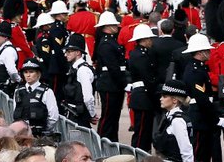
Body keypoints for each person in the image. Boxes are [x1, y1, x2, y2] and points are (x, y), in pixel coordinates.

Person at [180, 34, 224, 162]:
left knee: (205, 156)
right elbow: (202, 99)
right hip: (200, 117)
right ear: (201, 52)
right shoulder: (195, 71)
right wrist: (216, 118)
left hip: (203, 116)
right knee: (199, 156)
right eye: (207, 50)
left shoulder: (199, 68)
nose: (210, 53)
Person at [94, 11, 128, 142]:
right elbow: (113, 67)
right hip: (110, 84)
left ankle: (112, 140)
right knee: (108, 116)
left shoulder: (111, 41)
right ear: (107, 26)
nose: (116, 27)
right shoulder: (106, 43)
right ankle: (102, 141)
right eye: (113, 25)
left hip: (114, 84)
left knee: (114, 116)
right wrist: (123, 82)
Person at [127, 24, 159, 152]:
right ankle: (138, 156)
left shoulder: (143, 53)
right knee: (141, 132)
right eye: (149, 39)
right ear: (144, 40)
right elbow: (147, 78)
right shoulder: (139, 55)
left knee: (145, 131)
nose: (151, 41)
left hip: (144, 96)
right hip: (143, 96)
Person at [12, 60, 59, 137]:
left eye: (31, 72)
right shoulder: (18, 91)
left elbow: (53, 116)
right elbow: (15, 110)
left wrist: (45, 130)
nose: (28, 75)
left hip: (40, 134)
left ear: (38, 74)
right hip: (21, 135)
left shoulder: (47, 91)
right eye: (26, 72)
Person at [153, 80, 193, 162]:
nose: (161, 99)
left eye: (164, 96)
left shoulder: (177, 121)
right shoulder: (169, 116)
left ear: (174, 100)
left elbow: (186, 150)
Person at [60, 34, 97, 125]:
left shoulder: (83, 70)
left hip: (79, 116)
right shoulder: (74, 68)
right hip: (72, 113)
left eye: (69, 51)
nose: (66, 54)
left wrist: (92, 115)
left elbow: (88, 98)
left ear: (78, 52)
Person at [0, 23, 21, 94]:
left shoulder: (8, 50)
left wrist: (18, 80)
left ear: (5, 37)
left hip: (4, 89)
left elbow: (12, 71)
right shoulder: (1, 49)